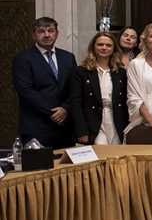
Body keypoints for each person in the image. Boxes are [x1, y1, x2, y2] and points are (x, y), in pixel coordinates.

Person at [12, 16, 76, 148]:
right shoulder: (22, 59)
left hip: (65, 127)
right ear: (33, 35)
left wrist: (65, 108)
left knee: (65, 162)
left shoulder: (68, 57)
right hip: (37, 125)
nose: (47, 35)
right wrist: (54, 113)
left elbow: (75, 87)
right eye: (41, 31)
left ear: (57, 34)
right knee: (38, 161)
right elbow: (26, 90)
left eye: (50, 31)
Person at [69, 31, 129, 145]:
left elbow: (125, 101)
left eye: (108, 45)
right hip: (93, 120)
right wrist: (81, 130)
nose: (104, 48)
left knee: (116, 152)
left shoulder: (120, 72)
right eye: (100, 44)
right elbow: (76, 103)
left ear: (113, 49)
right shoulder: (81, 71)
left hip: (115, 119)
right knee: (100, 150)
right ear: (93, 47)